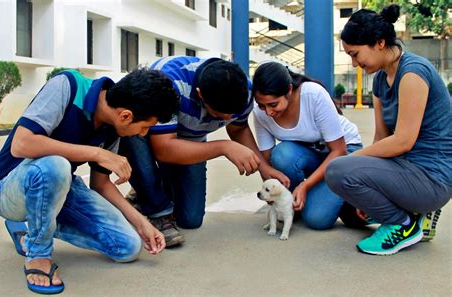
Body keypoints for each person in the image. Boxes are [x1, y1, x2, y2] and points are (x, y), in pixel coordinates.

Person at [0, 69, 179, 294]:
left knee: (127, 247)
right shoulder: (67, 86)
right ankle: (38, 255)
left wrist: (143, 223)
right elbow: (21, 144)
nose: (143, 134)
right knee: (56, 165)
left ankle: (34, 228)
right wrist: (96, 153)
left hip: (57, 187)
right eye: (145, 127)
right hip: (8, 187)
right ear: (126, 115)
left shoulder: (114, 128)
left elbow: (101, 184)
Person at [119, 56, 289, 247]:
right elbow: (164, 150)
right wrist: (224, 147)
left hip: (189, 139)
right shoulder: (172, 85)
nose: (228, 118)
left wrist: (264, 169)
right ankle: (156, 206)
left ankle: (146, 190)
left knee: (190, 219)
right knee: (131, 135)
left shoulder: (244, 91)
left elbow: (238, 128)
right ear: (200, 94)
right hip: (148, 132)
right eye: (219, 114)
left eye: (232, 114)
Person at [325, 4, 451, 255]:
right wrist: (364, 181)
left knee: (338, 170)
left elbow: (403, 141)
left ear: (379, 43)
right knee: (350, 210)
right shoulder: (381, 78)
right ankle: (413, 214)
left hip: (432, 176)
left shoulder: (413, 73)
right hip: (406, 169)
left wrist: (352, 164)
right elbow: (382, 137)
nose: (353, 63)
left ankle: (405, 224)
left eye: (355, 54)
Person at [251, 62, 363, 230]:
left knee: (317, 219)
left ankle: (349, 193)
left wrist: (306, 185)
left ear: (289, 90)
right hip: (311, 156)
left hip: (343, 154)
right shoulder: (260, 111)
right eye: (262, 105)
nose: (268, 112)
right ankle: (306, 200)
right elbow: (266, 159)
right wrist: (269, 191)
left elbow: (339, 150)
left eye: (273, 104)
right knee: (282, 154)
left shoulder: (312, 94)